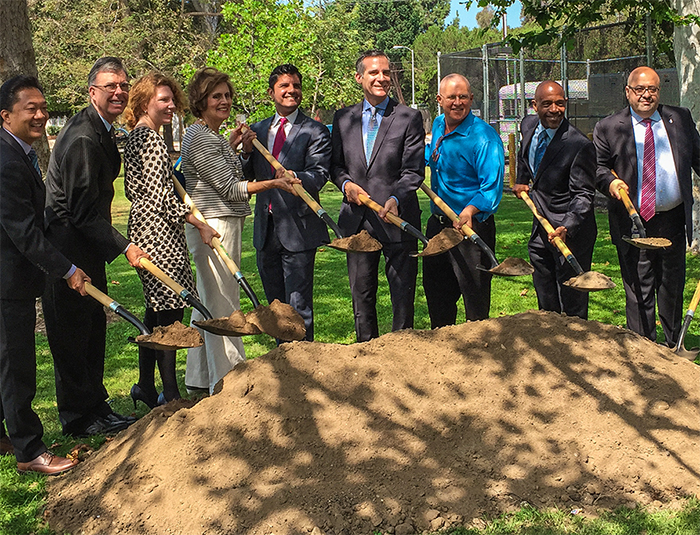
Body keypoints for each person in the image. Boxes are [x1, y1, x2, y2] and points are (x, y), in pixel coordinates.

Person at [42, 57, 150, 437]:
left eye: (123, 85)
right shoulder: (84, 138)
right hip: (68, 248)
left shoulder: (101, 128)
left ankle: (95, 406)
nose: (119, 92)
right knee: (72, 332)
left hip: (86, 243)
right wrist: (127, 247)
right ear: (92, 92)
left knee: (91, 329)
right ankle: (78, 416)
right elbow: (83, 213)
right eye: (110, 87)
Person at [182, 67, 299, 393]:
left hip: (218, 221)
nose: (224, 101)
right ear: (200, 101)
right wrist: (275, 182)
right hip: (214, 225)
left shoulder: (212, 137)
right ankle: (229, 380)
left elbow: (218, 169)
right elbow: (229, 188)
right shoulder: (200, 137)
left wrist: (233, 146)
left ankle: (198, 379)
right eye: (215, 96)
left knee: (206, 301)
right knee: (223, 304)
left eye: (227, 95)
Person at [0, 75, 90, 473]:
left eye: (42, 107)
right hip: (7, 281)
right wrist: (68, 268)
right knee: (17, 367)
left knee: (3, 363)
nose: (40, 115)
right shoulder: (5, 161)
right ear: (6, 115)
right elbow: (23, 232)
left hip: (12, 278)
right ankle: (29, 450)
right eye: (29, 109)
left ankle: (5, 435)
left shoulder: (17, 152)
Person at [123, 73, 219, 408]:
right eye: (162, 100)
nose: (170, 106)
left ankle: (146, 387)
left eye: (171, 100)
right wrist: (200, 224)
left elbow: (137, 190)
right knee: (171, 314)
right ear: (144, 102)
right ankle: (171, 393)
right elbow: (162, 199)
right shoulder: (149, 140)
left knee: (155, 312)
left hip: (145, 227)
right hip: (158, 233)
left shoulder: (137, 137)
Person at [593, 66, 700, 347]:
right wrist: (610, 183)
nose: (646, 95)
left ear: (658, 91)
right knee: (639, 287)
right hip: (632, 220)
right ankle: (644, 348)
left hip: (673, 219)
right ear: (628, 92)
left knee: (671, 286)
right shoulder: (608, 127)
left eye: (652, 89)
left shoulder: (680, 118)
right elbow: (598, 167)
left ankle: (672, 345)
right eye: (639, 89)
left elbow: (698, 159)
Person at [330, 49, 424, 342]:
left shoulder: (408, 117)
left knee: (402, 299)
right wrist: (346, 185)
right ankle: (366, 355)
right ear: (359, 78)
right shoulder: (343, 118)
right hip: (357, 223)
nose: (381, 78)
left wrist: (395, 198)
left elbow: (413, 170)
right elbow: (335, 166)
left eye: (385, 72)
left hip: (397, 219)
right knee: (362, 297)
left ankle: (401, 354)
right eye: (374, 72)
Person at [241, 64, 331, 342]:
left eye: (296, 86)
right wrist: (245, 152)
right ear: (271, 92)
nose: (292, 91)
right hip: (265, 232)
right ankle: (284, 364)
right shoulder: (256, 132)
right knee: (275, 308)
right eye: (284, 86)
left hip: (299, 232)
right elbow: (246, 177)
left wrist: (296, 176)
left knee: (298, 307)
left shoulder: (315, 130)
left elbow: (319, 174)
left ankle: (304, 366)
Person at [423, 73, 504, 327]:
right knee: (437, 299)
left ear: (471, 98)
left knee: (475, 305)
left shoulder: (484, 138)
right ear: (440, 100)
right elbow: (433, 158)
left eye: (463, 97)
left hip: (471, 229)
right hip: (439, 226)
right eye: (451, 97)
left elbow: (491, 189)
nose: (458, 103)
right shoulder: (438, 125)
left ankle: (479, 358)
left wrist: (470, 209)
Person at [514, 80, 597, 320]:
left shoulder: (578, 145)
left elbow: (583, 195)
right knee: (546, 299)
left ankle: (575, 349)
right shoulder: (528, 126)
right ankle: (551, 346)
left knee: (572, 303)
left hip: (570, 232)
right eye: (547, 104)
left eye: (560, 104)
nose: (554, 109)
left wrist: (567, 227)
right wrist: (521, 179)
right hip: (540, 227)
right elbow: (524, 157)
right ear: (534, 105)